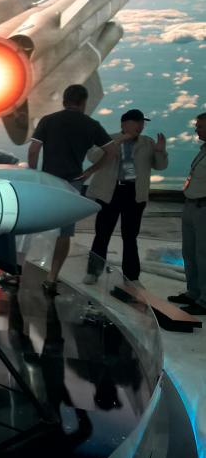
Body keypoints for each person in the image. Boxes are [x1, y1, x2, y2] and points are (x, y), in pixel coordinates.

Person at [27, 84, 117, 293]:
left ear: (64, 100)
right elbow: (112, 151)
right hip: (73, 182)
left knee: (31, 224)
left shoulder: (48, 120)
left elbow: (33, 150)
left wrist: (34, 174)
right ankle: (52, 277)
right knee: (65, 232)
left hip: (48, 181)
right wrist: (91, 170)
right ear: (84, 102)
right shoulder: (91, 125)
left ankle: (17, 271)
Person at [83, 109, 168, 285]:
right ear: (124, 124)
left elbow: (160, 166)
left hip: (134, 193)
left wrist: (160, 151)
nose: (140, 126)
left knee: (130, 236)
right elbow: (93, 157)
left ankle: (131, 276)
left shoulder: (147, 142)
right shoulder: (109, 139)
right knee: (102, 234)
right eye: (137, 122)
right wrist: (119, 140)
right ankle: (93, 271)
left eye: (142, 123)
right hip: (111, 191)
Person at [171, 113, 206, 314]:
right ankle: (193, 292)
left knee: (203, 254)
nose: (196, 130)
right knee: (190, 252)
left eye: (200, 126)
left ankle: (204, 300)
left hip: (203, 208)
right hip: (192, 205)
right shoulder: (203, 151)